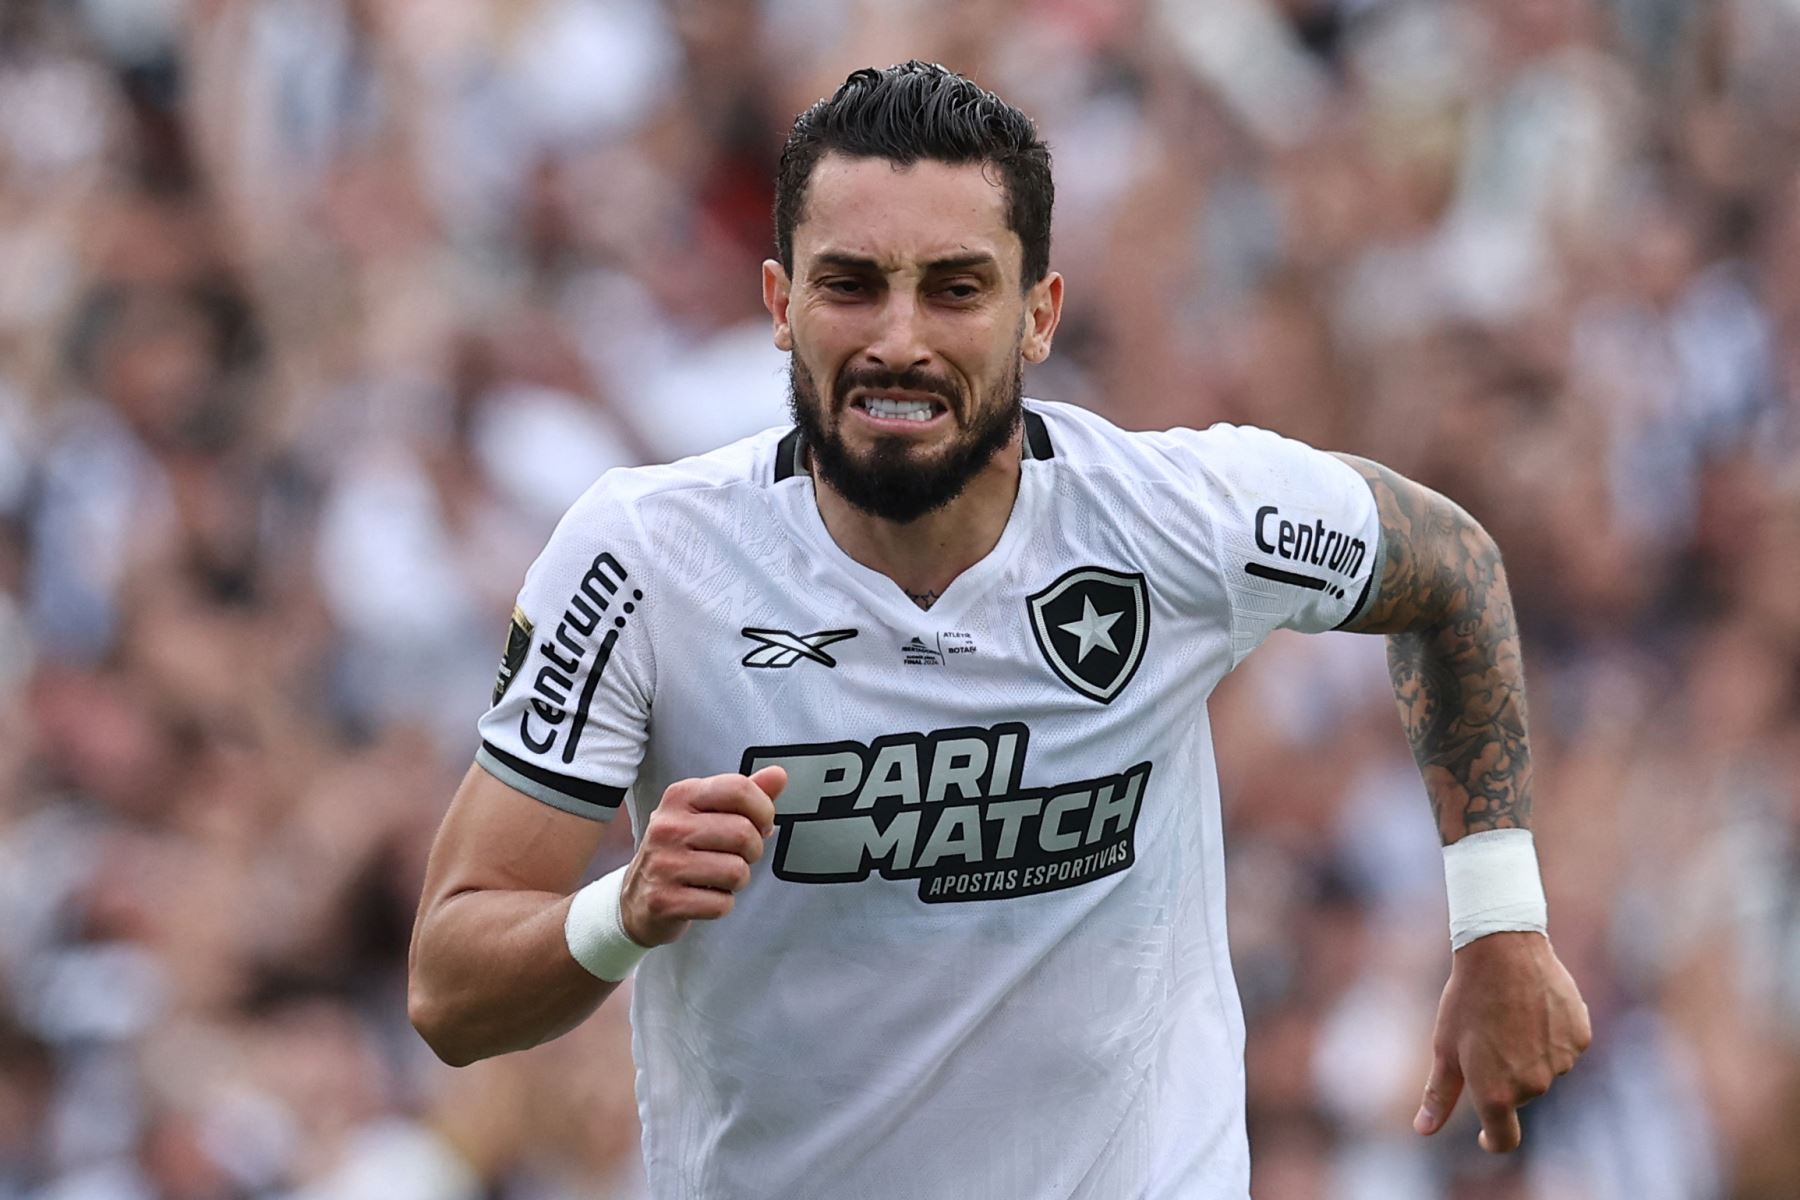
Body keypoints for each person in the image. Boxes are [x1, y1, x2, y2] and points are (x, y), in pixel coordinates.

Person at [407, 61, 1591, 1198]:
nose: (900, 339)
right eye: (852, 283)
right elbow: (450, 988)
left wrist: (1499, 921)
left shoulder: (1179, 521)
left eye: (957, 288)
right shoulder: (643, 560)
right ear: (780, 304)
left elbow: (1451, 570)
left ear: (1039, 315)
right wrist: (622, 910)